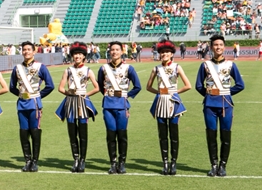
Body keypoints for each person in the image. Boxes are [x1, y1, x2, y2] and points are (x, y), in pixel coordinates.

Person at [196, 35, 244, 177]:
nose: (218, 47)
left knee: (225, 135)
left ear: (224, 47)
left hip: (226, 104)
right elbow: (199, 85)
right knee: (211, 135)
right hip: (210, 105)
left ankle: (223, 165)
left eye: (220, 45)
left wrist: (226, 92)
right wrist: (209, 94)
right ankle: (214, 165)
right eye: (215, 45)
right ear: (211, 47)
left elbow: (240, 85)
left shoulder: (230, 65)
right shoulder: (205, 65)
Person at [145, 40, 191, 175]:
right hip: (160, 103)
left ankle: (173, 162)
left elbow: (188, 85)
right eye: (162, 52)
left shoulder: (177, 67)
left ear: (171, 54)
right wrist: (160, 93)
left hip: (173, 103)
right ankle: (165, 162)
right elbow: (148, 87)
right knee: (162, 134)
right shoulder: (156, 68)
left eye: (167, 52)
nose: (164, 54)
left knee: (174, 134)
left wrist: (174, 93)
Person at [9, 41, 54, 172]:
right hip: (22, 104)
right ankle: (27, 160)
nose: (26, 52)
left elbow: (50, 85)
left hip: (34, 104)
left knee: (35, 132)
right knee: (23, 133)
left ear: (34, 51)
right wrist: (21, 95)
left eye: (29, 49)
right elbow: (12, 87)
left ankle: (34, 161)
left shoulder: (41, 67)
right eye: (24, 50)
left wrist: (38, 96)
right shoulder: (17, 68)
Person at [97, 41, 141, 174]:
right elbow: (100, 85)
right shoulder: (103, 68)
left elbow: (138, 86)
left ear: (122, 52)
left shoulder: (129, 68)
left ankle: (122, 163)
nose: (114, 52)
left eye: (117, 49)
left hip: (122, 105)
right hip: (108, 105)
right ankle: (113, 163)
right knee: (111, 135)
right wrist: (109, 95)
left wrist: (127, 95)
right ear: (109, 52)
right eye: (112, 50)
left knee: (122, 135)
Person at [55, 42, 99, 173]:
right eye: (75, 54)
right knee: (72, 133)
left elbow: (97, 88)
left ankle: (82, 160)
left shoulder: (88, 70)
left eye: (80, 54)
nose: (77, 56)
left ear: (84, 56)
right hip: (70, 103)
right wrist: (69, 93)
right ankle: (75, 159)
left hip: (82, 103)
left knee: (83, 133)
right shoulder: (68, 70)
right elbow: (60, 88)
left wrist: (86, 94)